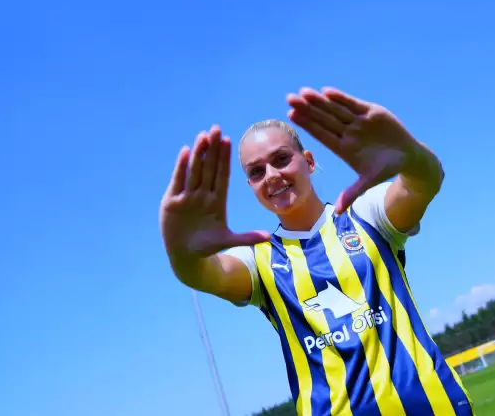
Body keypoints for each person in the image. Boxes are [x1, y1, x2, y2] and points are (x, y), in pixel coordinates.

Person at [159, 87, 474, 416]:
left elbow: (424, 182)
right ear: (251, 186)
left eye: (281, 159)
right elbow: (203, 273)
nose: (272, 175)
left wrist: (412, 156)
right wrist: (181, 252)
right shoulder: (258, 259)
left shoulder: (365, 214)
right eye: (256, 171)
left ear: (308, 161)